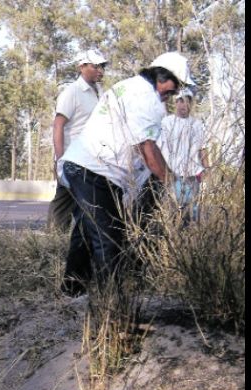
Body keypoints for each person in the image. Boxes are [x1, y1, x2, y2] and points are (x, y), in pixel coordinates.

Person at [58, 52, 194, 296]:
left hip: (84, 166)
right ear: (161, 76)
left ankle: (72, 290)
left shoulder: (128, 86)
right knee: (109, 237)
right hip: (93, 170)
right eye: (174, 86)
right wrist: (174, 184)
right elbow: (148, 149)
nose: (174, 93)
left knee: (87, 232)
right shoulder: (147, 99)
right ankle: (112, 302)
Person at [48, 49, 107, 232]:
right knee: (63, 203)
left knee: (87, 207)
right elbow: (58, 125)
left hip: (92, 160)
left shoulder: (100, 93)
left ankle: (80, 240)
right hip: (72, 159)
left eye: (102, 66)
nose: (100, 71)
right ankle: (52, 239)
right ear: (82, 67)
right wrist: (60, 160)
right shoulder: (72, 92)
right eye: (95, 66)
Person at [158, 88, 209, 221]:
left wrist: (207, 170)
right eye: (180, 101)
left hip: (192, 177)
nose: (183, 105)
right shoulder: (166, 122)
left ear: (191, 104)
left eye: (187, 101)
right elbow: (159, 149)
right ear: (175, 103)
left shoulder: (197, 124)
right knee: (172, 214)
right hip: (173, 176)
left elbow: (202, 148)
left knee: (192, 215)